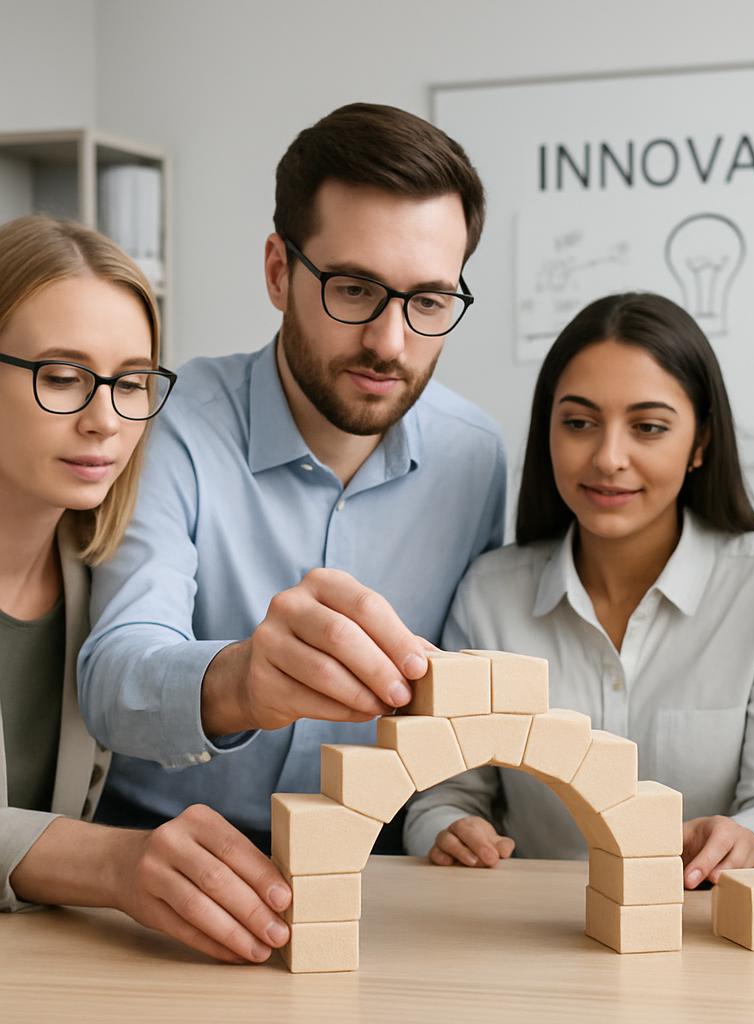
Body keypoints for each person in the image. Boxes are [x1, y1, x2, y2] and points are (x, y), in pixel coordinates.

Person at [77, 103, 505, 854]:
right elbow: (115, 677)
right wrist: (242, 681)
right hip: (164, 847)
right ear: (280, 272)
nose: (390, 342)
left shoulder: (477, 456)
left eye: (430, 301)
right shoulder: (171, 422)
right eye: (353, 289)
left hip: (381, 866)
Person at [404, 293, 754, 885]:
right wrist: (450, 829)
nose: (608, 458)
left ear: (701, 442)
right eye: (578, 423)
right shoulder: (489, 594)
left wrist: (750, 839)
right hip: (526, 939)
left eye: (648, 428)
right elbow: (443, 796)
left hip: (703, 931)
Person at [0, 214, 293, 965]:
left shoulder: (95, 562)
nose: (105, 420)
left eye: (130, 382)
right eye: (61, 377)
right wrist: (113, 865)